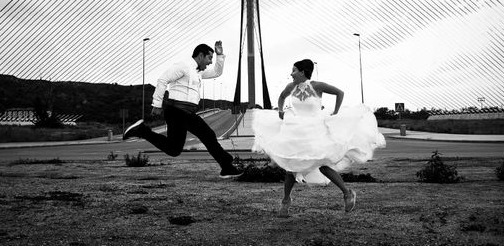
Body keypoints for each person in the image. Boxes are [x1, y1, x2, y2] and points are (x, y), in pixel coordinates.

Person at [252, 59, 386, 217]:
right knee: (290, 168)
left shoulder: (317, 86)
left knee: (323, 164)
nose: (291, 73)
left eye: (294, 70)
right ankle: (286, 201)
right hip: (296, 130)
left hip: (315, 130)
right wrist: (280, 111)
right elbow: (281, 97)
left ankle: (347, 193)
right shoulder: (291, 87)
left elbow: (339, 93)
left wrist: (335, 112)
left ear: (303, 72)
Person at [123, 40, 242, 178]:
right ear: (200, 56)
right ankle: (227, 166)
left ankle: (142, 131)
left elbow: (216, 72)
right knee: (207, 135)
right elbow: (162, 80)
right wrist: (157, 104)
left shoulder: (198, 72)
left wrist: (220, 56)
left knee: (174, 149)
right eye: (210, 58)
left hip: (184, 113)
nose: (210, 62)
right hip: (177, 111)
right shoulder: (183, 66)